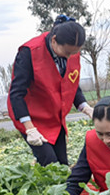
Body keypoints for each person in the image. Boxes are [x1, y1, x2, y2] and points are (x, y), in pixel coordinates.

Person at [8, 15, 94, 166]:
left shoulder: (71, 51)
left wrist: (85, 107)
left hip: (55, 117)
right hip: (32, 117)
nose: (69, 57)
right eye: (67, 52)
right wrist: (29, 128)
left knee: (62, 164)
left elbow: (70, 82)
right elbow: (16, 94)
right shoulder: (30, 52)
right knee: (50, 162)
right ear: (54, 40)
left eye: (74, 53)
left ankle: (63, 188)